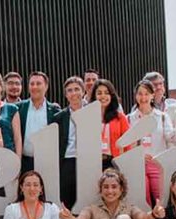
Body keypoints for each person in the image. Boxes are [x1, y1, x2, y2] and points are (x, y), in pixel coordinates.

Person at [127, 79, 175, 206]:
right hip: (138, 165)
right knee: (143, 201)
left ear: (153, 95)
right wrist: (139, 155)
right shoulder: (129, 119)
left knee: (161, 200)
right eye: (140, 94)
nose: (143, 97)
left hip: (158, 164)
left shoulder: (163, 117)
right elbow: (127, 144)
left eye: (147, 93)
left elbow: (171, 138)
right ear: (135, 96)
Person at [14, 71, 61, 172]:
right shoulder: (19, 108)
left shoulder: (54, 111)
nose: (34, 87)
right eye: (32, 84)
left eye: (38, 84)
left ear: (46, 86)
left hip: (47, 163)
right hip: (24, 162)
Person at [51, 76, 86, 208]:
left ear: (83, 92)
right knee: (67, 196)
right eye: (70, 90)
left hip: (88, 159)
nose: (74, 93)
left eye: (77, 89)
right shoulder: (59, 117)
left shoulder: (93, 112)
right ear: (66, 95)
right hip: (68, 160)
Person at [90, 79, 131, 170]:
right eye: (99, 93)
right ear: (94, 96)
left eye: (106, 93)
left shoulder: (120, 117)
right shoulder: (89, 118)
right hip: (93, 163)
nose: (103, 96)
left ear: (111, 96)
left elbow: (127, 143)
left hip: (114, 162)